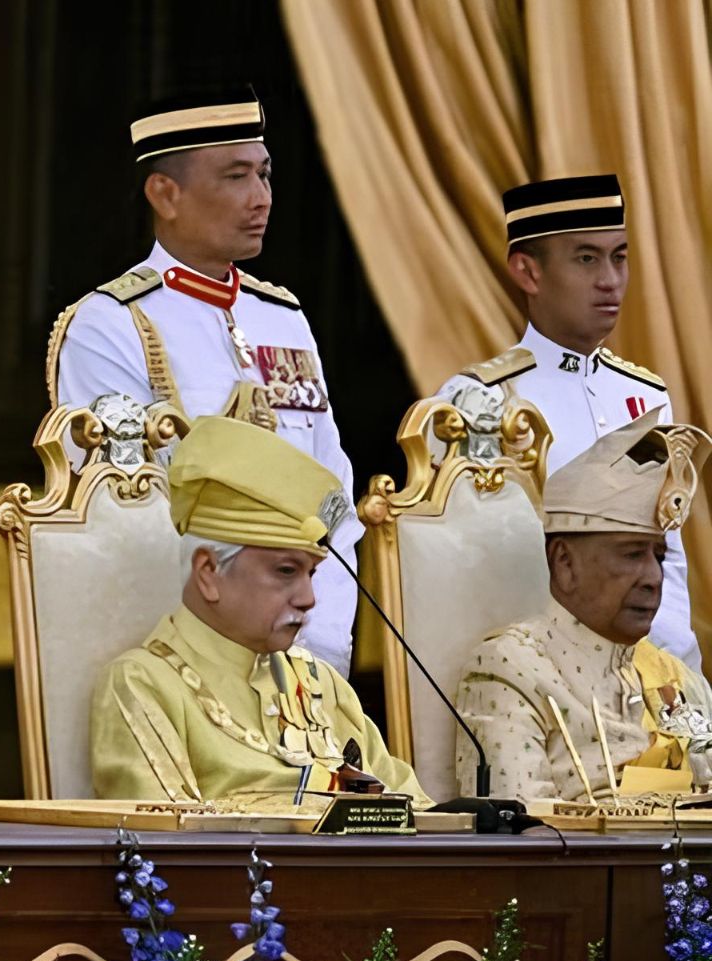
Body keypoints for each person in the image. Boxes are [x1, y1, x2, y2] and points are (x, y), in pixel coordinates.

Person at [50, 88, 361, 674]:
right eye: (236, 177)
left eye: (265, 175)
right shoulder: (111, 324)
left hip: (309, 651)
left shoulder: (284, 318)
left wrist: (321, 641)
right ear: (165, 194)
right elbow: (128, 514)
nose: (261, 198)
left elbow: (333, 497)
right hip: (183, 655)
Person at [90, 416, 425, 807]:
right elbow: (167, 848)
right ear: (209, 572)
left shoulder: (320, 682)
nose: (308, 598)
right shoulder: (143, 684)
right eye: (286, 571)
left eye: (311, 573)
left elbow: (419, 816)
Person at [436, 175, 697, 669]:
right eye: (586, 259)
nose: (610, 280)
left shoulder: (645, 395)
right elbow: (465, 579)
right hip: (538, 685)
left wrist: (679, 677)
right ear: (527, 272)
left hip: (652, 679)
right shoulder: (478, 402)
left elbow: (670, 558)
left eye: (619, 257)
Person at [455, 410, 712, 801]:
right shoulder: (511, 667)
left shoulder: (677, 678)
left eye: (658, 556)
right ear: (564, 562)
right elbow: (518, 842)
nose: (652, 577)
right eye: (631, 555)